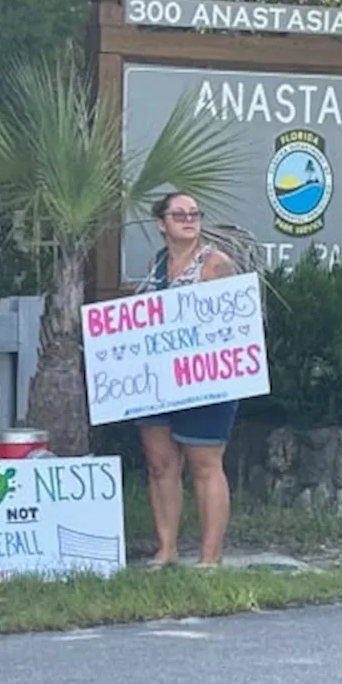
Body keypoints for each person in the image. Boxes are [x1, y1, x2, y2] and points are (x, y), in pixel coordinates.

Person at [135, 192, 242, 570]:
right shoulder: (156, 263)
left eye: (194, 213)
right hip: (157, 381)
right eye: (178, 213)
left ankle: (209, 558)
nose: (188, 218)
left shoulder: (215, 265)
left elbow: (233, 321)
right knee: (161, 464)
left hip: (205, 379)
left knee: (204, 464)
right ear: (161, 223)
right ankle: (166, 549)